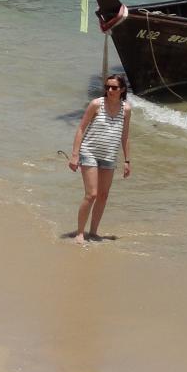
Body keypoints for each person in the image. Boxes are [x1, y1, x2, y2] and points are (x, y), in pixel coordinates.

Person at [68, 74, 133, 244]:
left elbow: (125, 135)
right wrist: (75, 155)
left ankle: (94, 232)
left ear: (122, 90)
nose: (109, 90)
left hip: (110, 155)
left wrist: (127, 161)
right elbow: (81, 128)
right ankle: (80, 233)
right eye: (107, 87)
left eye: (113, 88)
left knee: (103, 195)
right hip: (89, 152)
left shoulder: (126, 109)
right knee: (92, 194)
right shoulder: (96, 104)